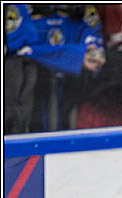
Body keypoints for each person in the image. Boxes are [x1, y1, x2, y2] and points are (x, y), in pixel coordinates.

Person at [3, 3, 105, 133]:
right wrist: (73, 56)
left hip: (75, 93)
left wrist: (92, 52)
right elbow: (19, 49)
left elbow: (95, 46)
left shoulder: (83, 9)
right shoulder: (20, 7)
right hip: (34, 96)